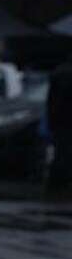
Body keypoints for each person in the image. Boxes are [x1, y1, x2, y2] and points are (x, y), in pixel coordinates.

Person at [47, 54, 72, 189]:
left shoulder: (59, 72)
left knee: (61, 152)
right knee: (64, 153)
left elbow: (51, 100)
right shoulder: (64, 74)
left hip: (59, 120)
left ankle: (57, 182)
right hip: (65, 120)